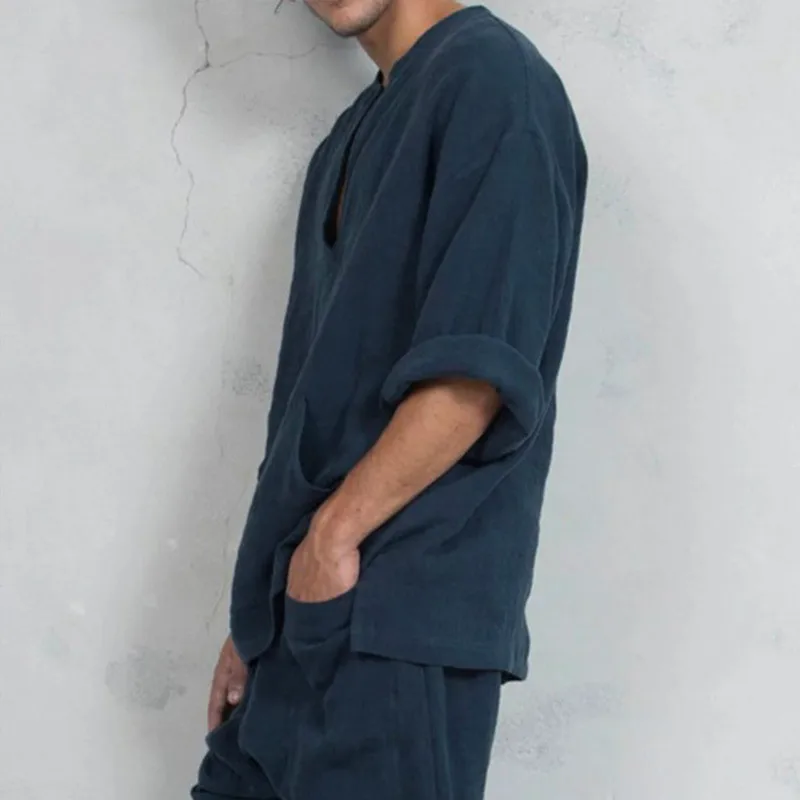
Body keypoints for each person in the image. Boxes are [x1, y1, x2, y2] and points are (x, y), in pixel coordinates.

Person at [191, 0, 587, 797]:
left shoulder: (495, 82)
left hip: (401, 621)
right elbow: (312, 401)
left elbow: (477, 373)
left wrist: (333, 538)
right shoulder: (352, 132)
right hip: (298, 623)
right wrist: (259, 615)